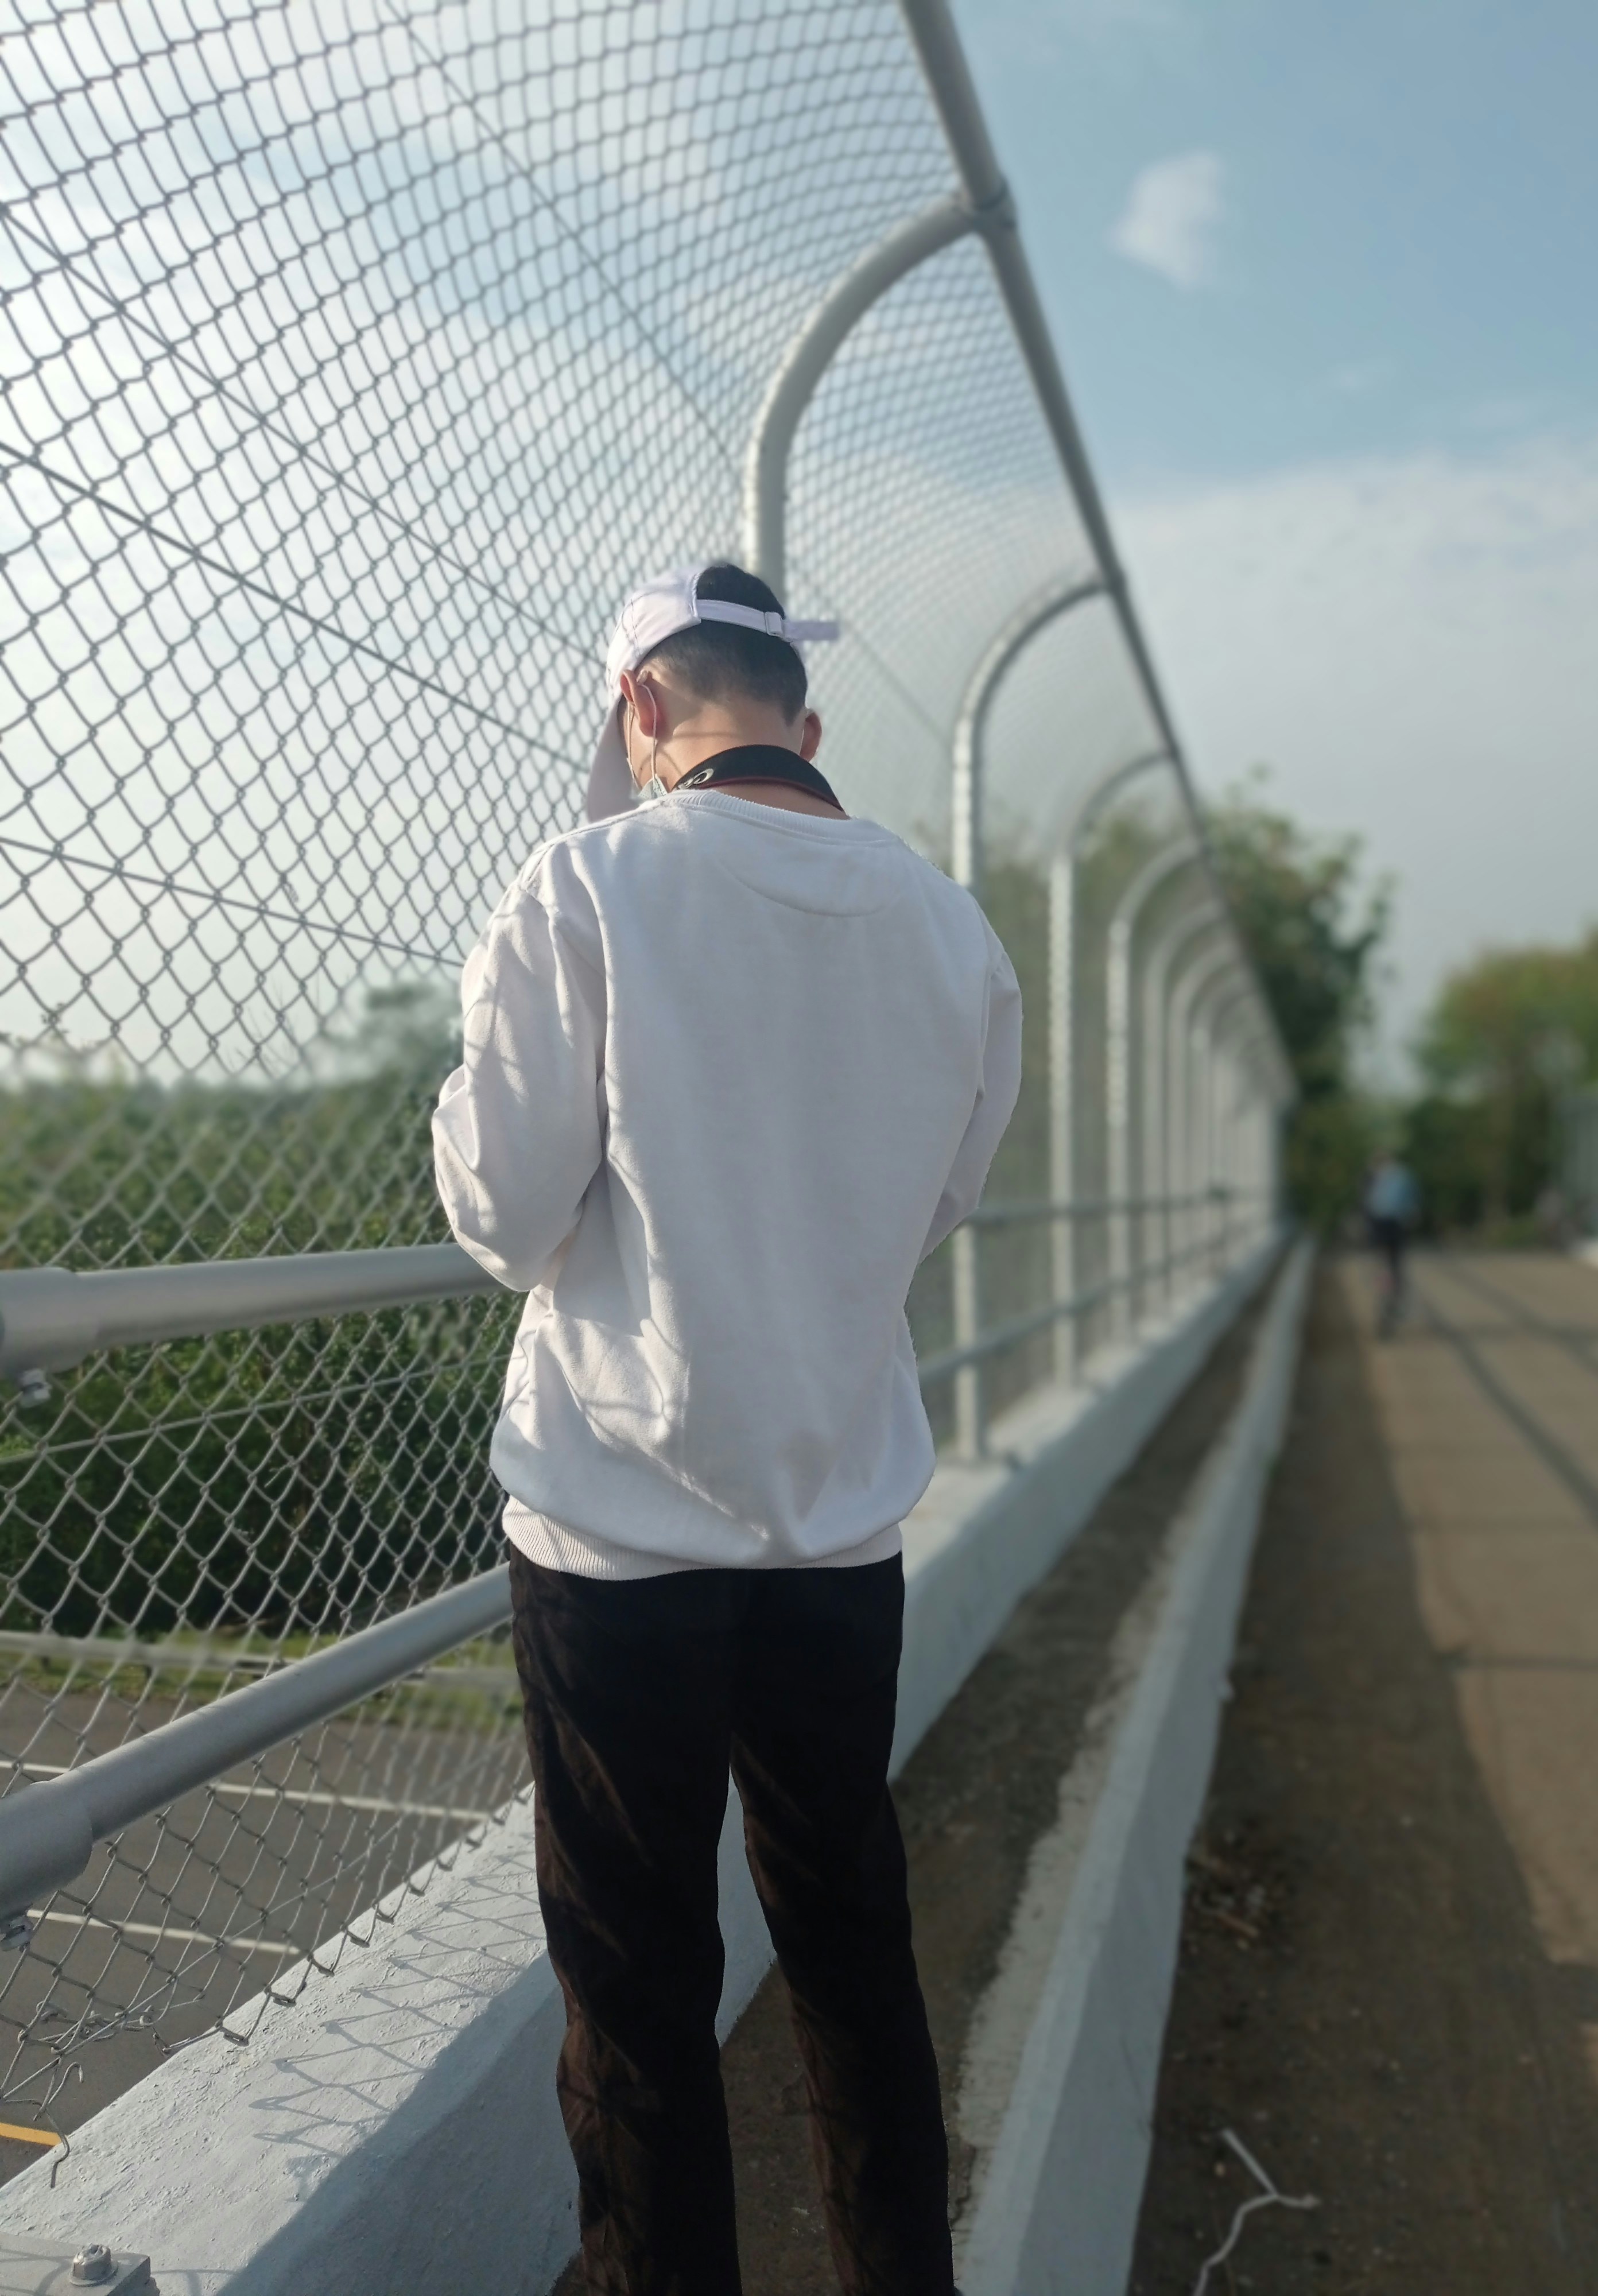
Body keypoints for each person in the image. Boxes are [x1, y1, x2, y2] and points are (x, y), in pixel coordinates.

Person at [433, 562, 1021, 2296]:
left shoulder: (586, 887)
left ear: (639, 708)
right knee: (851, 1943)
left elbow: (504, 1214)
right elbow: (935, 1204)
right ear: (803, 721)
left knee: (637, 1980)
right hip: (838, 1524)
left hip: (616, 1532)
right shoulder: (946, 924)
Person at [1364, 1148, 1419, 1332]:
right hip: (1397, 1226)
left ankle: (1384, 1292)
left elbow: (1367, 1203)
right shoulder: (1405, 1175)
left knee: (1382, 1262)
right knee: (1396, 1263)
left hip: (1379, 1226)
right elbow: (1412, 1207)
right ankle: (1395, 1296)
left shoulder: (1375, 1176)